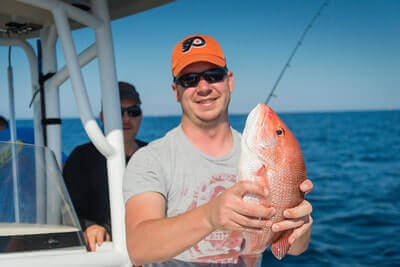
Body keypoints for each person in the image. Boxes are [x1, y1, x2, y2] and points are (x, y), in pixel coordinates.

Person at [123, 34, 313, 266]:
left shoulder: (263, 155)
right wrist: (211, 216)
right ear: (176, 90)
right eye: (189, 80)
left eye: (213, 76)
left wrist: (299, 228)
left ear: (229, 80)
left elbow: (294, 249)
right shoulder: (150, 159)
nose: (203, 87)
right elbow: (139, 248)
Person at [63, 81, 147, 252]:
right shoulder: (81, 158)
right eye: (117, 112)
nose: (126, 118)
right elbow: (65, 211)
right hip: (105, 253)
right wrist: (90, 227)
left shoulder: (153, 154)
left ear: (140, 116)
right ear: (102, 117)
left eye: (133, 112)